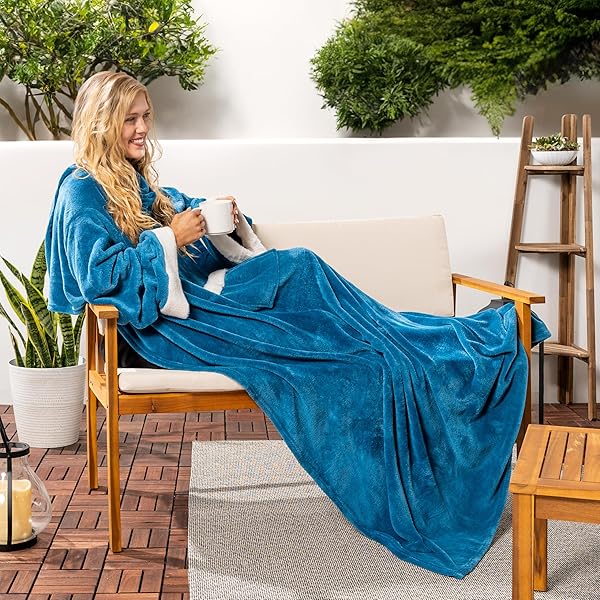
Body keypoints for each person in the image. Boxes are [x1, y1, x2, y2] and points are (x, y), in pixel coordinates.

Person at [46, 71, 549, 578]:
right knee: (319, 301)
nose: (141, 129)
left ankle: (420, 340)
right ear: (101, 123)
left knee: (308, 274)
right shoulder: (83, 191)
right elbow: (99, 277)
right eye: (129, 119)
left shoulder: (132, 177)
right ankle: (429, 343)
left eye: (145, 117)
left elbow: (174, 205)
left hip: (203, 299)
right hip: (176, 326)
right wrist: (170, 239)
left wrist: (213, 214)